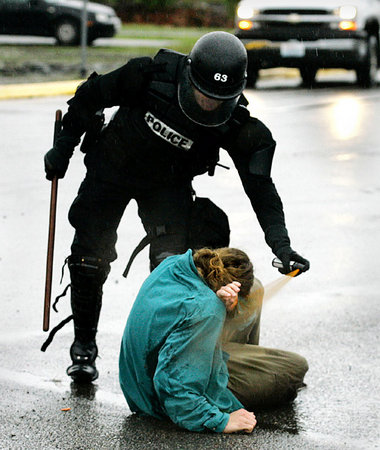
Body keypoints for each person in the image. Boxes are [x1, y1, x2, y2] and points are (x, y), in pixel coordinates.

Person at [43, 31, 310, 383]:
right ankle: (84, 347)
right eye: (203, 94)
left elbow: (261, 189)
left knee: (172, 267)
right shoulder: (150, 75)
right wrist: (62, 149)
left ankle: (161, 357)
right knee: (89, 256)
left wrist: (282, 244)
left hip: (166, 185)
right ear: (189, 75)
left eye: (220, 98)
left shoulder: (237, 125)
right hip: (113, 166)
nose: (209, 104)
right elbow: (89, 97)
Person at [119, 247, 308, 433]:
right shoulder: (206, 309)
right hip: (153, 398)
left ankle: (241, 370)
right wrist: (219, 420)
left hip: (137, 378)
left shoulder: (176, 264)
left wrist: (222, 307)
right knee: (295, 368)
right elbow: (173, 385)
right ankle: (237, 382)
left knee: (255, 287)